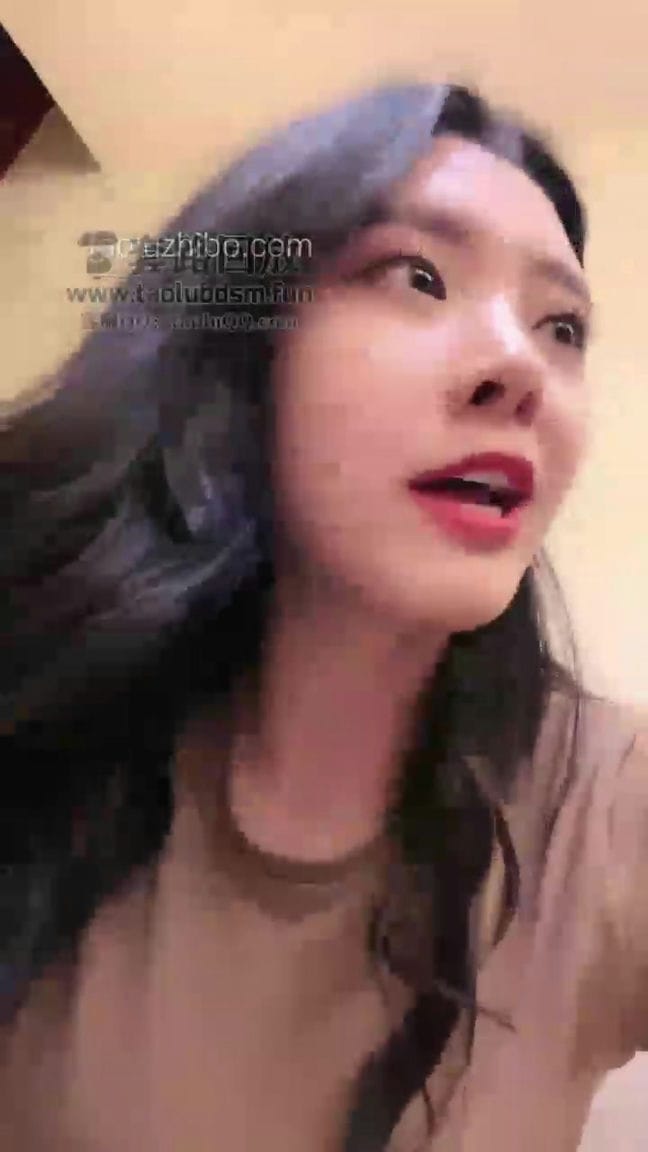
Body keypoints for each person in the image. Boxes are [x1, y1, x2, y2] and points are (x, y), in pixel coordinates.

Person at [0, 82, 646, 1152]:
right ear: (235, 345)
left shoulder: (605, 808)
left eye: (562, 327)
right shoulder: (38, 721)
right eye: (418, 276)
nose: (521, 368)